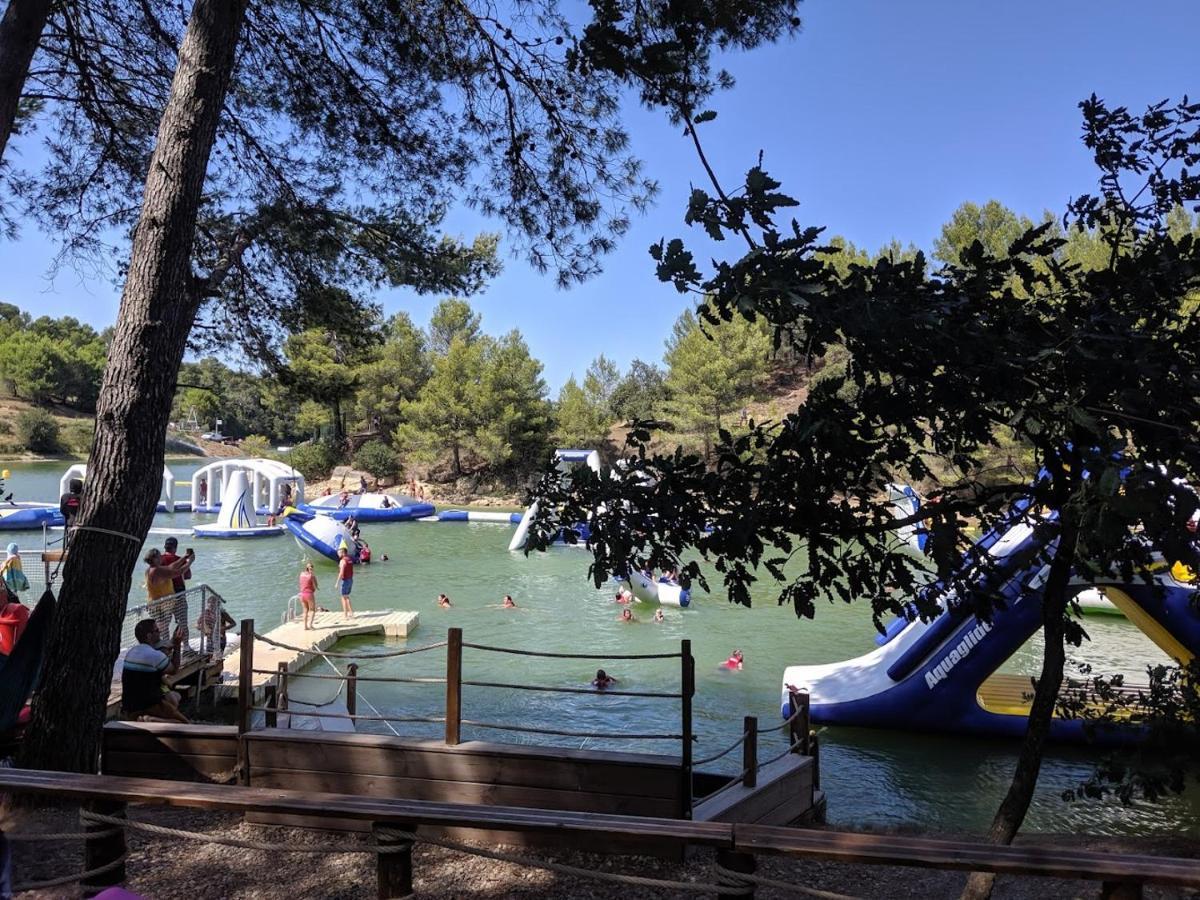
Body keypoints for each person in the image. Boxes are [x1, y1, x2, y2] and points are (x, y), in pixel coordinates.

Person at [121, 619, 190, 723]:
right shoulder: (155, 656)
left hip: (129, 708)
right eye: (157, 630)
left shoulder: (132, 652)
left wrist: (171, 643)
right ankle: (153, 719)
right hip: (150, 705)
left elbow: (158, 658)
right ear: (149, 636)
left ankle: (150, 719)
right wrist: (177, 645)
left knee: (173, 697)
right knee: (184, 724)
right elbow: (174, 669)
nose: (160, 632)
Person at [145, 547, 194, 644]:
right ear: (154, 559)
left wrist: (184, 557)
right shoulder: (157, 571)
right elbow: (177, 572)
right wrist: (189, 562)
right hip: (161, 605)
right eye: (159, 556)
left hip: (158, 603)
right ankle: (166, 649)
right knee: (163, 629)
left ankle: (165, 647)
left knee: (163, 629)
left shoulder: (151, 569)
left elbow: (171, 567)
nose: (161, 558)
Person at [298, 562, 318, 630]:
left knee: (305, 610)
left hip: (302, 594)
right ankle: (310, 625)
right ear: (312, 568)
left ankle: (305, 627)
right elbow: (316, 586)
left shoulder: (301, 574)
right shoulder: (312, 576)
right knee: (312, 610)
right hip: (309, 594)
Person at [336, 547, 355, 619]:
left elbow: (341, 573)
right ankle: (351, 613)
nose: (338, 554)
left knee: (343, 597)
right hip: (350, 579)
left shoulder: (342, 561)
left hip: (345, 580)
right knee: (346, 597)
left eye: (339, 553)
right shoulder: (349, 559)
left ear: (343, 553)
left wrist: (337, 582)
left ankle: (345, 615)